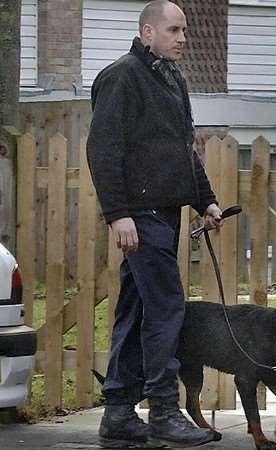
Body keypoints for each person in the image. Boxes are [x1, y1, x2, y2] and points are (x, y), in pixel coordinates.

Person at [87, 1, 223, 448]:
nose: (182, 38)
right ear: (147, 32)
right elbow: (103, 151)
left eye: (184, 30)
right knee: (167, 309)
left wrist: (206, 200)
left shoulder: (171, 78)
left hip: (164, 214)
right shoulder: (121, 76)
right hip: (139, 217)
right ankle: (164, 410)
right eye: (173, 30)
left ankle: (119, 413)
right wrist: (118, 214)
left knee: (137, 309)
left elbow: (183, 148)